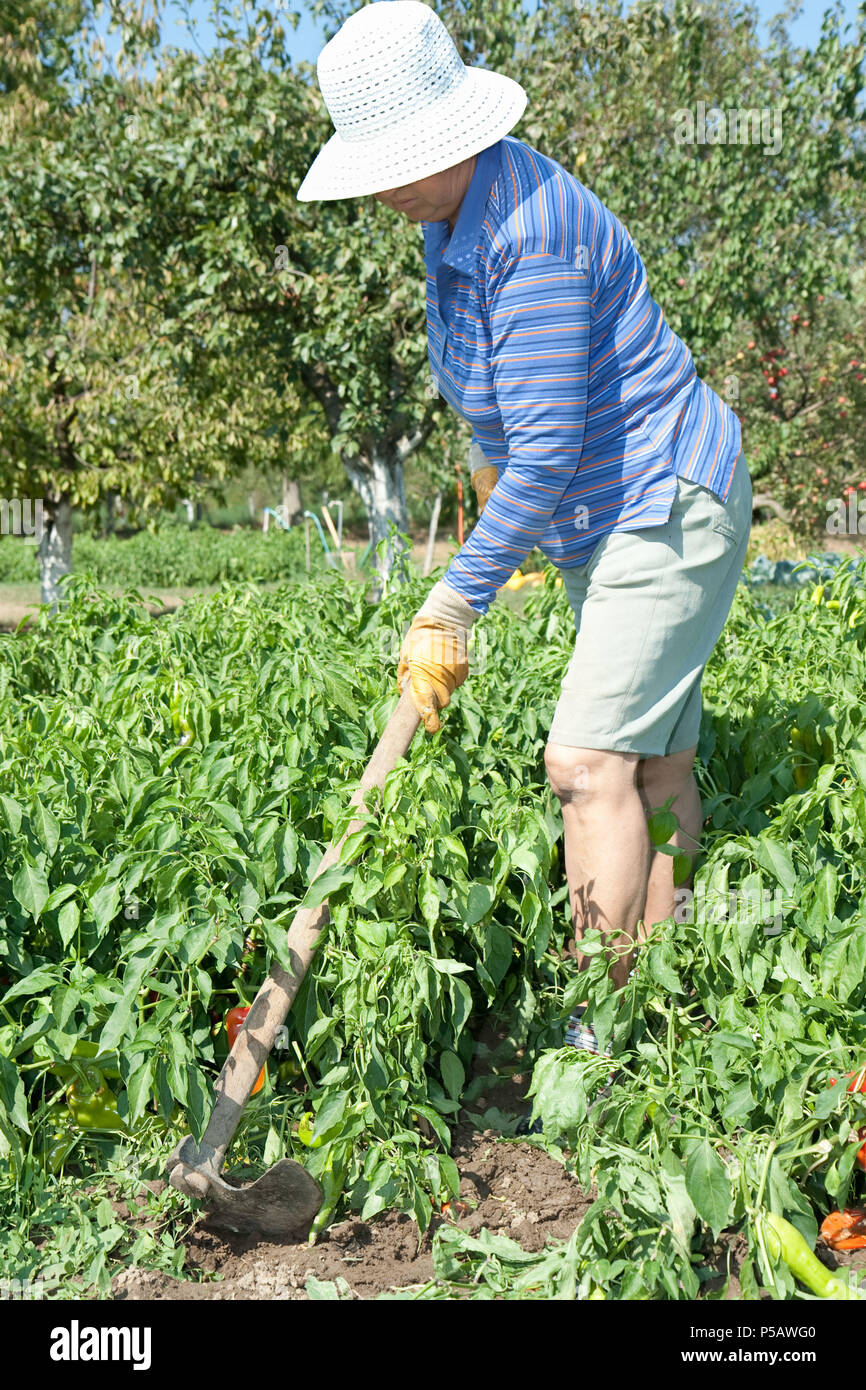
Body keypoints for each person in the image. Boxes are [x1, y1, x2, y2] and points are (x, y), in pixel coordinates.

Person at [298, 0, 752, 1057]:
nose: (379, 185)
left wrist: (454, 597)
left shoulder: (527, 232)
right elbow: (498, 422)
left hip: (661, 500)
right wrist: (483, 566)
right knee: (651, 770)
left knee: (584, 763)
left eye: (391, 158)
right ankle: (660, 1014)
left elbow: (545, 451)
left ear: (448, 132)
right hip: (615, 519)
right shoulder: (450, 222)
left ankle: (599, 1034)